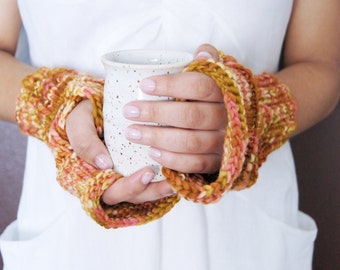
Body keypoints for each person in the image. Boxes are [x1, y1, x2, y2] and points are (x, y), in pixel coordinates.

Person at [0, 0, 339, 269]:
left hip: (246, 230)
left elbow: (321, 63)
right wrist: (54, 104)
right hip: (69, 231)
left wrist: (252, 115)